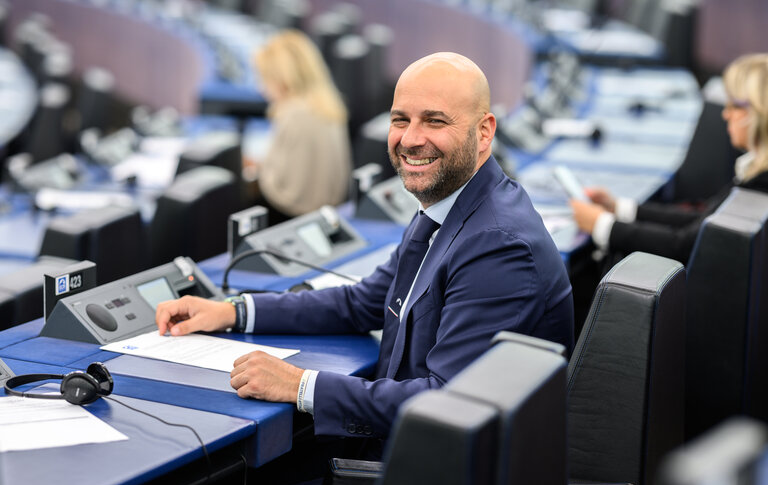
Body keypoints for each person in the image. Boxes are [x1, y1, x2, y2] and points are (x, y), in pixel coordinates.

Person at [156, 52, 574, 454]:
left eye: (435, 121)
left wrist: (300, 385)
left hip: (439, 480)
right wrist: (233, 312)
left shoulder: (497, 243)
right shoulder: (451, 204)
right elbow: (364, 302)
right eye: (400, 120)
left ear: (484, 131)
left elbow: (446, 401)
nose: (411, 139)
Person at [570, 53, 768, 264]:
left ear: (757, 112)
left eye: (733, 106)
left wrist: (602, 224)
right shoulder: (755, 171)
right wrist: (620, 208)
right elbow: (700, 222)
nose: (725, 114)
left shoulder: (758, 185)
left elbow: (684, 245)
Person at [244, 29, 351, 224]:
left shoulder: (294, 114)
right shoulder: (328, 104)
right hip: (327, 214)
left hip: (293, 219)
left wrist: (259, 171)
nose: (262, 88)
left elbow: (286, 193)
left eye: (265, 79)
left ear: (282, 79)